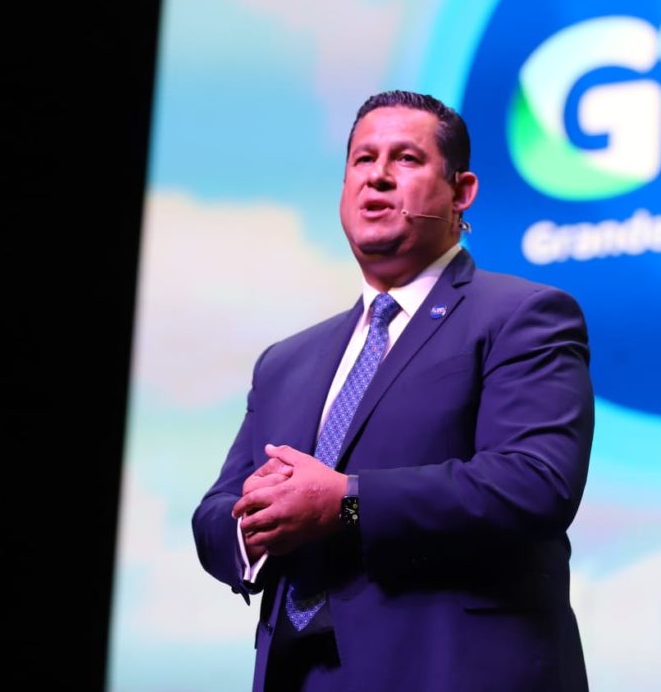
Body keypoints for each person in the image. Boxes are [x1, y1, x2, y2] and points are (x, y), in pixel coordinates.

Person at [192, 90, 594, 691]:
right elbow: (216, 511)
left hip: (450, 670)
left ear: (461, 192)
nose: (377, 176)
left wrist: (346, 502)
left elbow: (533, 483)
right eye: (363, 159)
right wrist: (252, 526)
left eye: (405, 158)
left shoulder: (522, 316)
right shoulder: (285, 362)